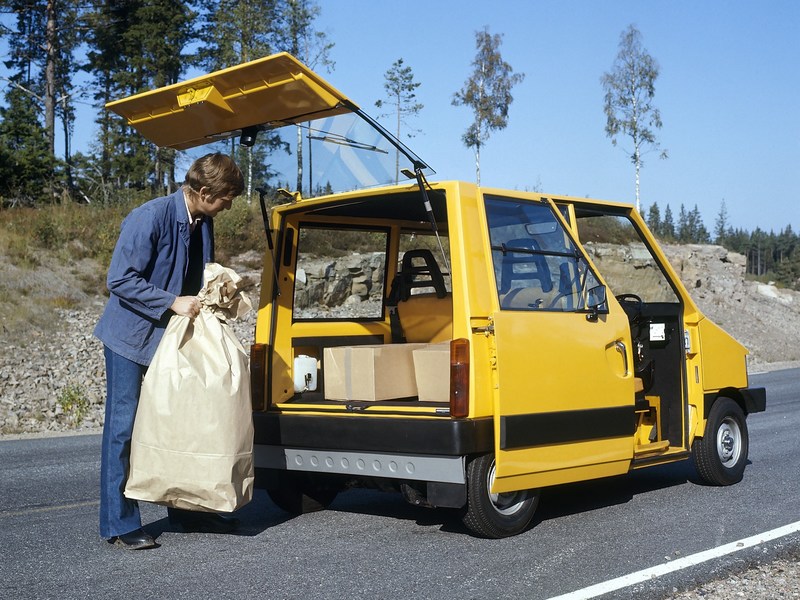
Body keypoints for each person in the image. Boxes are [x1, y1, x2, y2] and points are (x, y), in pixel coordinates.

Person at [94, 153, 245, 550]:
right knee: (123, 429)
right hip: (130, 338)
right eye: (226, 198)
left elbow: (194, 279)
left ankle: (189, 511)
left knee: (185, 424)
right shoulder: (150, 216)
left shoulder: (204, 222)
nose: (229, 205)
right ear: (203, 191)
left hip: (175, 339)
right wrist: (171, 302)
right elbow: (119, 279)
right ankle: (120, 523)